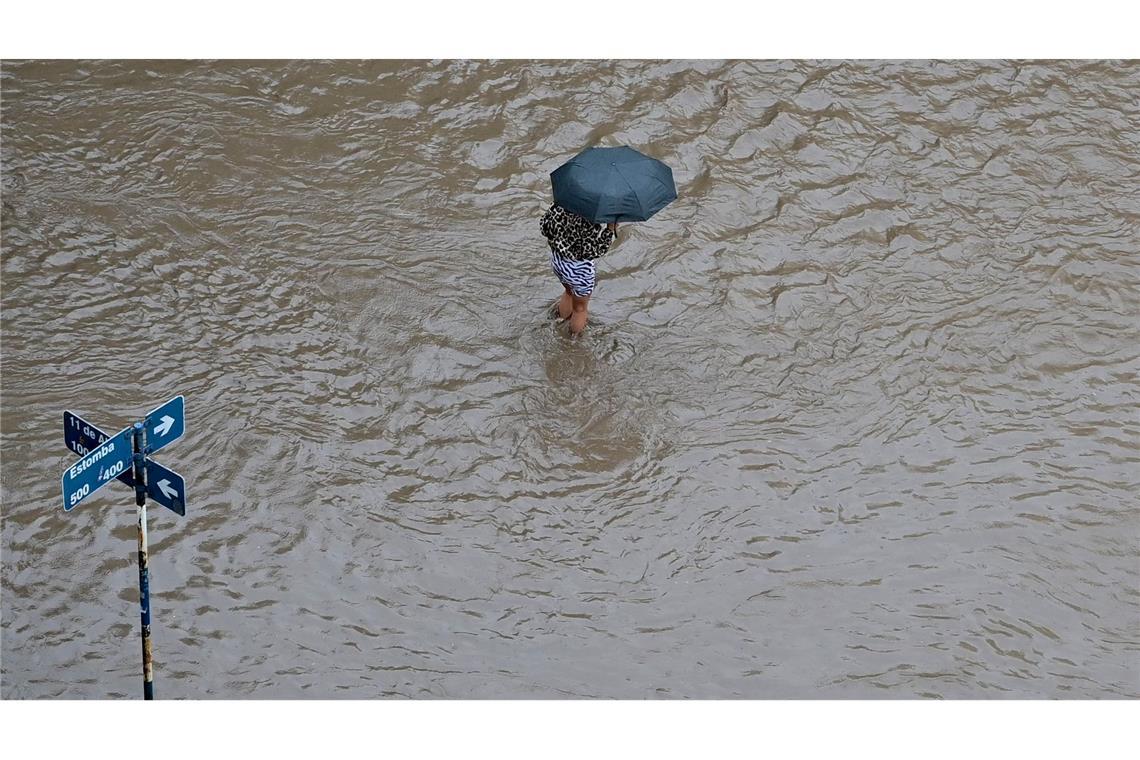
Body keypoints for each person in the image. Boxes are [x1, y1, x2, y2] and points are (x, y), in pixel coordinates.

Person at [539, 203, 618, 335]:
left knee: (569, 292)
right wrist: (610, 229)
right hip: (578, 270)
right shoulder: (588, 218)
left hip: (558, 262)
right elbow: (596, 250)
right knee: (580, 309)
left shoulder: (559, 205)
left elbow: (544, 226)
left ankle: (561, 319)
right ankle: (572, 341)